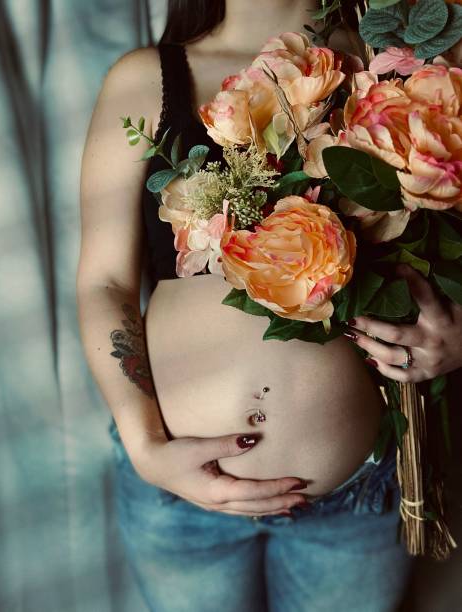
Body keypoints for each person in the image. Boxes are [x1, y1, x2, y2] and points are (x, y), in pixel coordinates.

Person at [77, 1, 462, 610]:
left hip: (358, 501)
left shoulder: (399, 74)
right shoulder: (145, 80)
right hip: (177, 497)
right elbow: (104, 284)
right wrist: (146, 446)